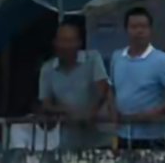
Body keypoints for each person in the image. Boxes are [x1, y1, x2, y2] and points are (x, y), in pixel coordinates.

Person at [109, 7, 165, 150]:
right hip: (124, 134)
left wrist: (157, 112)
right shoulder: (117, 57)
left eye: (143, 27)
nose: (139, 31)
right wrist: (113, 111)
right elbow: (112, 89)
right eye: (134, 27)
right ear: (126, 29)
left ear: (150, 30)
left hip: (154, 137)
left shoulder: (161, 60)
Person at [38, 21, 112, 150]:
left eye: (71, 41)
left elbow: (104, 89)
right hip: (69, 140)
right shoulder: (47, 69)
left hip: (101, 138)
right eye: (63, 41)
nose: (66, 46)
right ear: (55, 42)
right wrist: (66, 110)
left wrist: (91, 112)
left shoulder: (93, 58)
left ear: (79, 43)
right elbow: (46, 104)